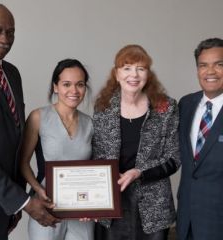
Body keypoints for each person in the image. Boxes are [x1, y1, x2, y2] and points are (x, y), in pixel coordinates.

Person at [0, 3, 60, 239]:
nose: (5, 38)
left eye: (11, 32)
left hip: (2, 210)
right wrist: (22, 202)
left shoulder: (12, 73)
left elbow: (15, 138)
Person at [92, 44, 181, 240]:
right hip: (111, 201)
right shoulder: (103, 107)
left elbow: (174, 159)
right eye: (127, 68)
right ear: (116, 74)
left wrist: (140, 173)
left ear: (148, 74)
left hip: (154, 207)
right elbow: (96, 155)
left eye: (141, 68)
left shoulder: (166, 107)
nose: (134, 75)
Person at [20, 59, 95, 240]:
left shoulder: (90, 124)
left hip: (81, 211)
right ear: (55, 87)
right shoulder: (38, 117)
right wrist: (38, 189)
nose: (74, 91)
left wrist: (96, 204)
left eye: (80, 84)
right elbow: (22, 163)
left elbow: (95, 170)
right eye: (66, 84)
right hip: (47, 206)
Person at [176, 38, 223, 240]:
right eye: (203, 65)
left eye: (219, 64)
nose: (210, 72)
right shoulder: (186, 104)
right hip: (187, 220)